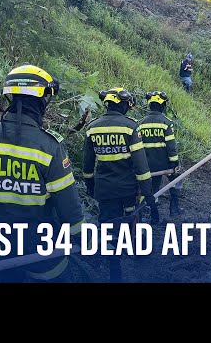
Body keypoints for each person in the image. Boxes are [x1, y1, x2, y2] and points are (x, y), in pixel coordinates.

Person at [0, 65, 84, 283]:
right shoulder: (49, 146)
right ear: (42, 98)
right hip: (41, 248)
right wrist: (81, 237)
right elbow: (68, 204)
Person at [82, 87, 154, 282]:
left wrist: (90, 184)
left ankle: (113, 265)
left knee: (107, 224)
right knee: (131, 217)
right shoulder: (130, 127)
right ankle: (136, 252)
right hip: (127, 189)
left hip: (104, 188)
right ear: (122, 105)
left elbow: (87, 163)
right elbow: (141, 165)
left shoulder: (93, 127)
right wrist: (148, 193)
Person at [137, 91, 182, 221]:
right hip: (165, 163)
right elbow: (171, 146)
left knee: (153, 188)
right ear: (162, 106)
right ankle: (174, 209)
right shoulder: (166, 122)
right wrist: (174, 163)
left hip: (147, 164)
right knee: (175, 181)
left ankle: (153, 213)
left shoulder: (140, 123)